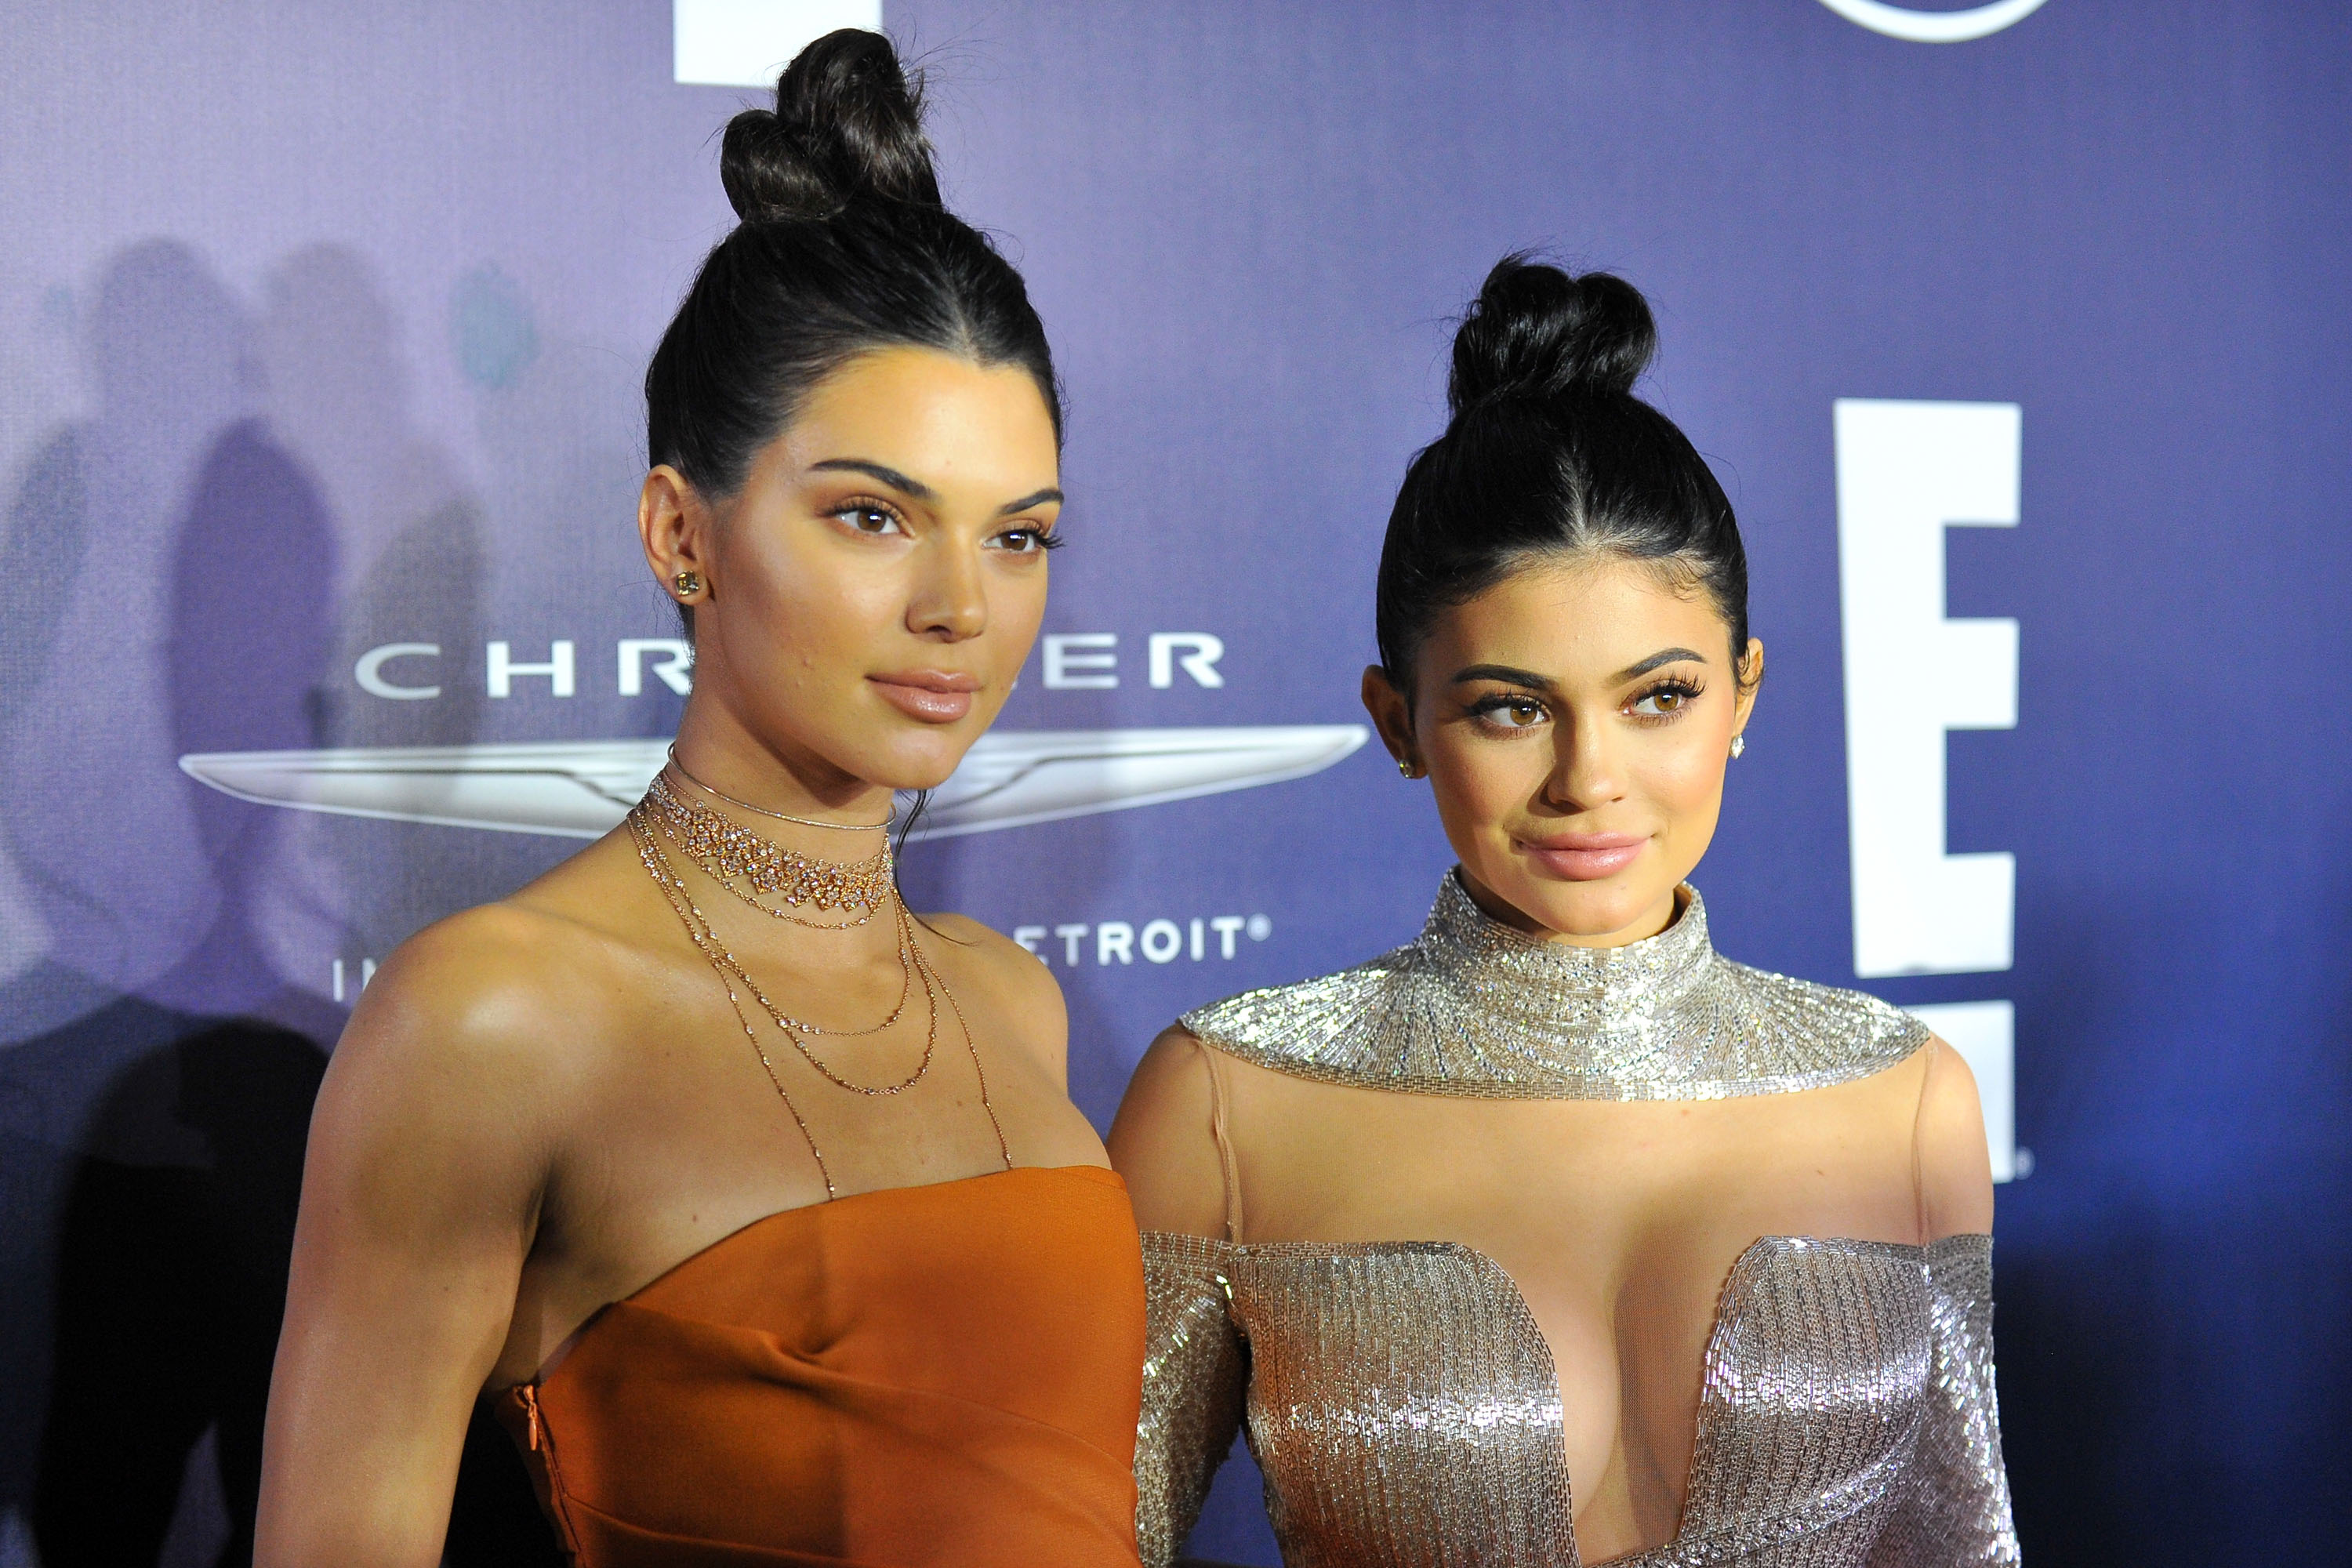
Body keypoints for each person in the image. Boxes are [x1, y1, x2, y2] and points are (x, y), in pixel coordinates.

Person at [256, 31, 1147, 1568]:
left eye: (1020, 536)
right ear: (682, 534)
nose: (964, 605)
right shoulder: (490, 1019)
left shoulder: (1015, 1005)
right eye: (873, 515)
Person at [1109, 258, 2019, 1567]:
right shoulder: (1224, 1102)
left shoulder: (1911, 1096)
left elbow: (1962, 1548)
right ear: (1398, 723)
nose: (1591, 778)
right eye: (1510, 707)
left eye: (1660, 697)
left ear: (1745, 692)